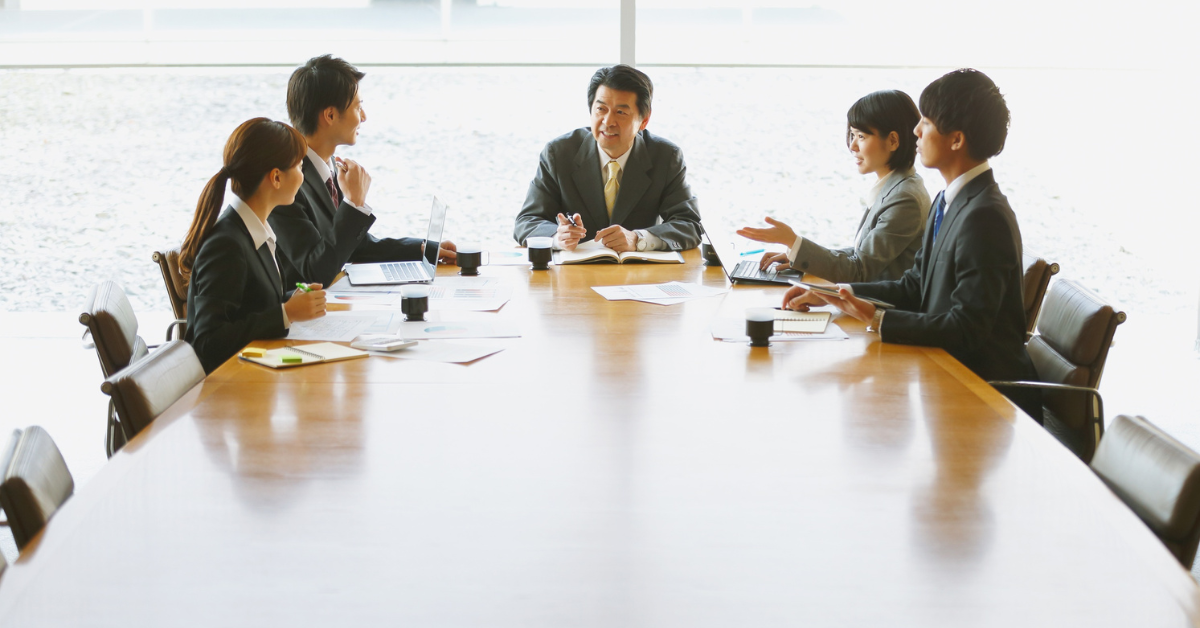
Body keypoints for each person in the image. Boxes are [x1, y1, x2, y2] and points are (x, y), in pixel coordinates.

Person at [781, 69, 1040, 419]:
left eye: (927, 123)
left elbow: (966, 328)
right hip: (947, 374)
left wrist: (878, 317)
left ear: (957, 140)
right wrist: (841, 293)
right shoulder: (947, 202)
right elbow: (915, 285)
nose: (916, 131)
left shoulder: (985, 216)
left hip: (984, 396)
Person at [269, 54, 456, 288]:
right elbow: (316, 270)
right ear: (330, 115)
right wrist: (354, 203)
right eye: (358, 107)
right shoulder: (285, 183)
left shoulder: (328, 168)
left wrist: (420, 248)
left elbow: (353, 245)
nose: (364, 117)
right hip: (299, 316)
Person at [181, 118, 327, 374]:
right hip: (228, 391)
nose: (303, 178)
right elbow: (207, 342)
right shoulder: (227, 245)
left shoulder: (252, 231)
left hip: (255, 372)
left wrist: (292, 301)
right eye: (300, 167)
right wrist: (285, 313)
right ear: (276, 177)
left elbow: (251, 305)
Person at [737, 90, 929, 282]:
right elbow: (862, 254)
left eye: (861, 136)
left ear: (893, 141)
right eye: (852, 135)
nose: (853, 146)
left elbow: (859, 270)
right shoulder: (897, 186)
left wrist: (793, 242)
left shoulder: (905, 198)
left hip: (880, 307)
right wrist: (797, 254)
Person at [513, 64, 702, 252]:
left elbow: (689, 225)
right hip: (575, 274)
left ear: (644, 120)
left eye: (621, 112)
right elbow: (526, 222)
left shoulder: (665, 157)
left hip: (638, 276)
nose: (608, 122)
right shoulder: (560, 153)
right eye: (601, 109)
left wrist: (638, 239)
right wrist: (557, 237)